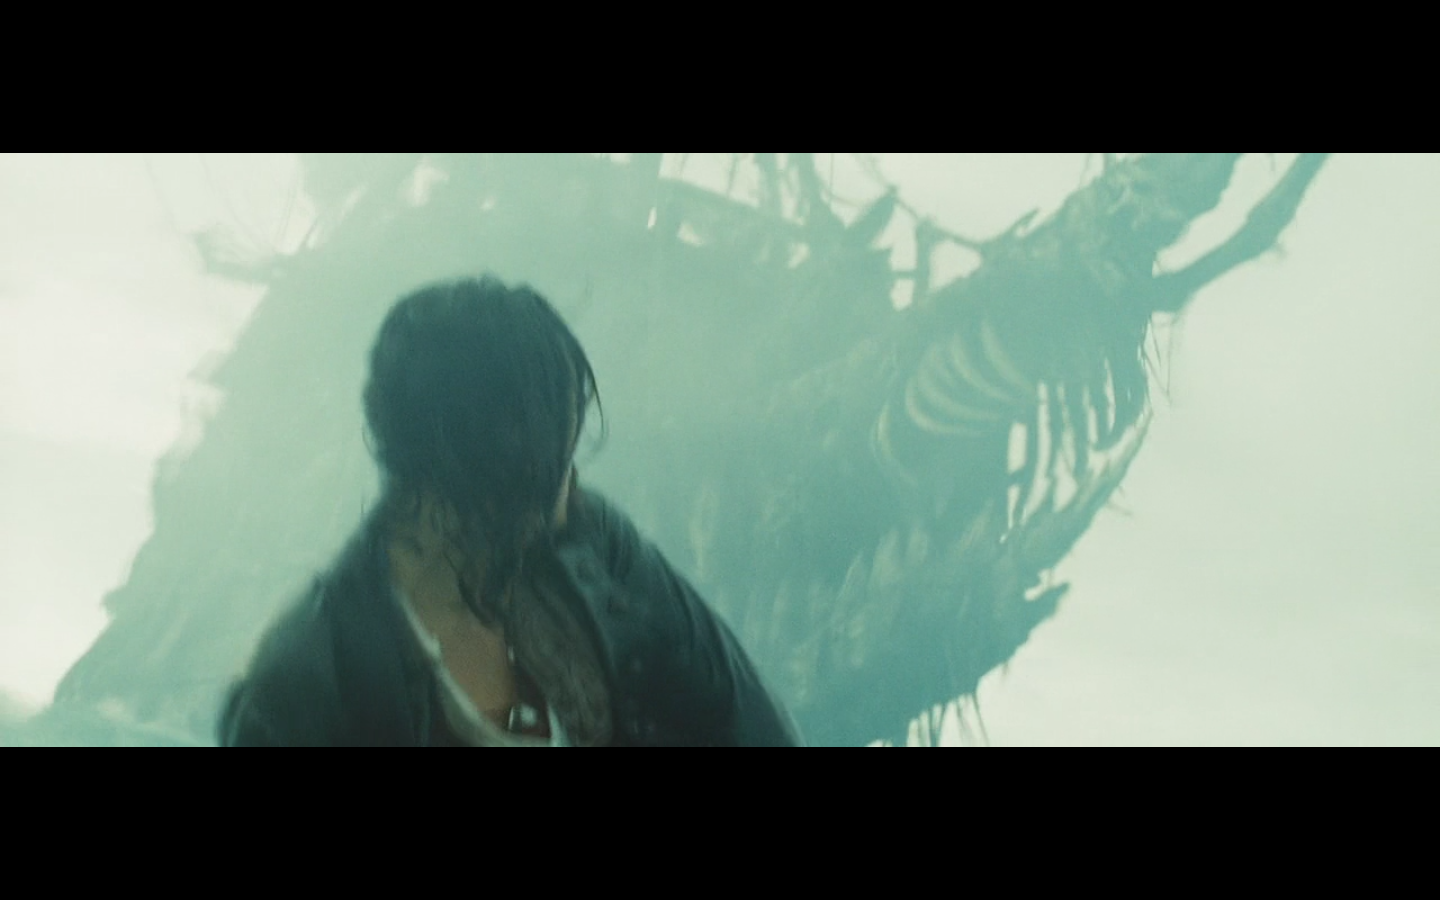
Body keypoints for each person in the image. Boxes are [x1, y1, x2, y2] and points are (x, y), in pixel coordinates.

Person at [217, 275, 802, 746]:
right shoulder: (303, 687)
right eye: (557, 454)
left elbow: (751, 727)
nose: (572, 482)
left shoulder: (593, 548)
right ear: (489, 463)